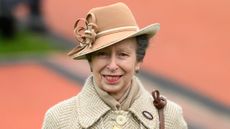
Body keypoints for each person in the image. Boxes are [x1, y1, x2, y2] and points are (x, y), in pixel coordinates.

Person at [42, 2, 187, 129]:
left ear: (138, 61)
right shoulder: (58, 119)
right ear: (90, 61)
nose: (112, 65)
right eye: (102, 54)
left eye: (123, 54)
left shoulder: (169, 116)